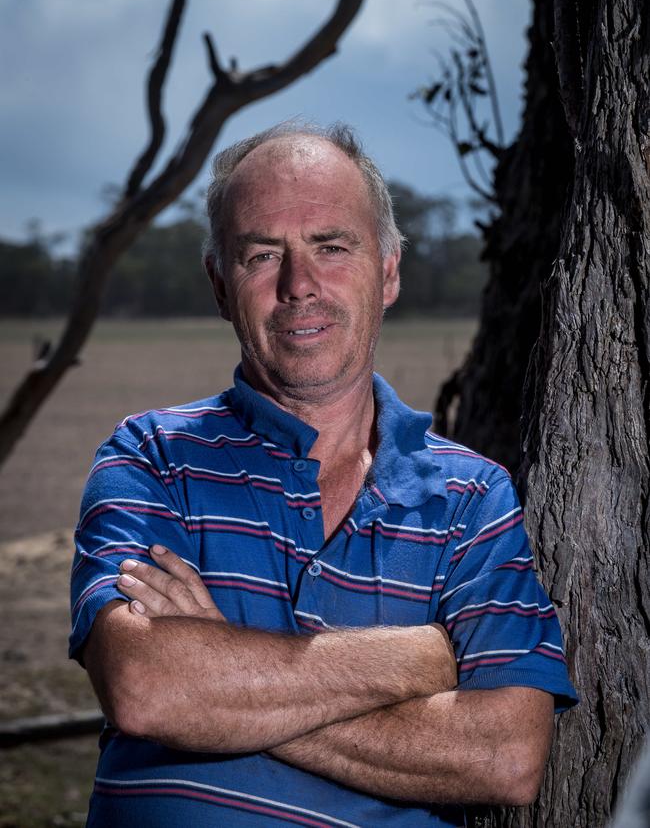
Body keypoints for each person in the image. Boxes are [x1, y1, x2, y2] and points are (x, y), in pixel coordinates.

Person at [70, 121, 578, 827]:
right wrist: (414, 661)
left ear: (390, 270)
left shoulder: (472, 497)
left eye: (332, 247)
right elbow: (146, 688)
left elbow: (508, 755)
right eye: (261, 255)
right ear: (222, 285)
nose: (299, 285)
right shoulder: (150, 455)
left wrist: (222, 689)